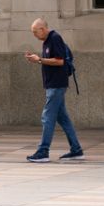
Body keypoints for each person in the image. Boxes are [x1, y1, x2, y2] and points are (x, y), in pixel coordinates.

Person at [24, 18, 83, 161]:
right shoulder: (47, 41)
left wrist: (39, 60)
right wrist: (36, 59)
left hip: (56, 85)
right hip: (53, 84)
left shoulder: (55, 38)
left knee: (47, 117)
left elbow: (60, 61)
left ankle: (43, 151)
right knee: (63, 119)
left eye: (35, 32)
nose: (34, 35)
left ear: (43, 29)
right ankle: (76, 150)